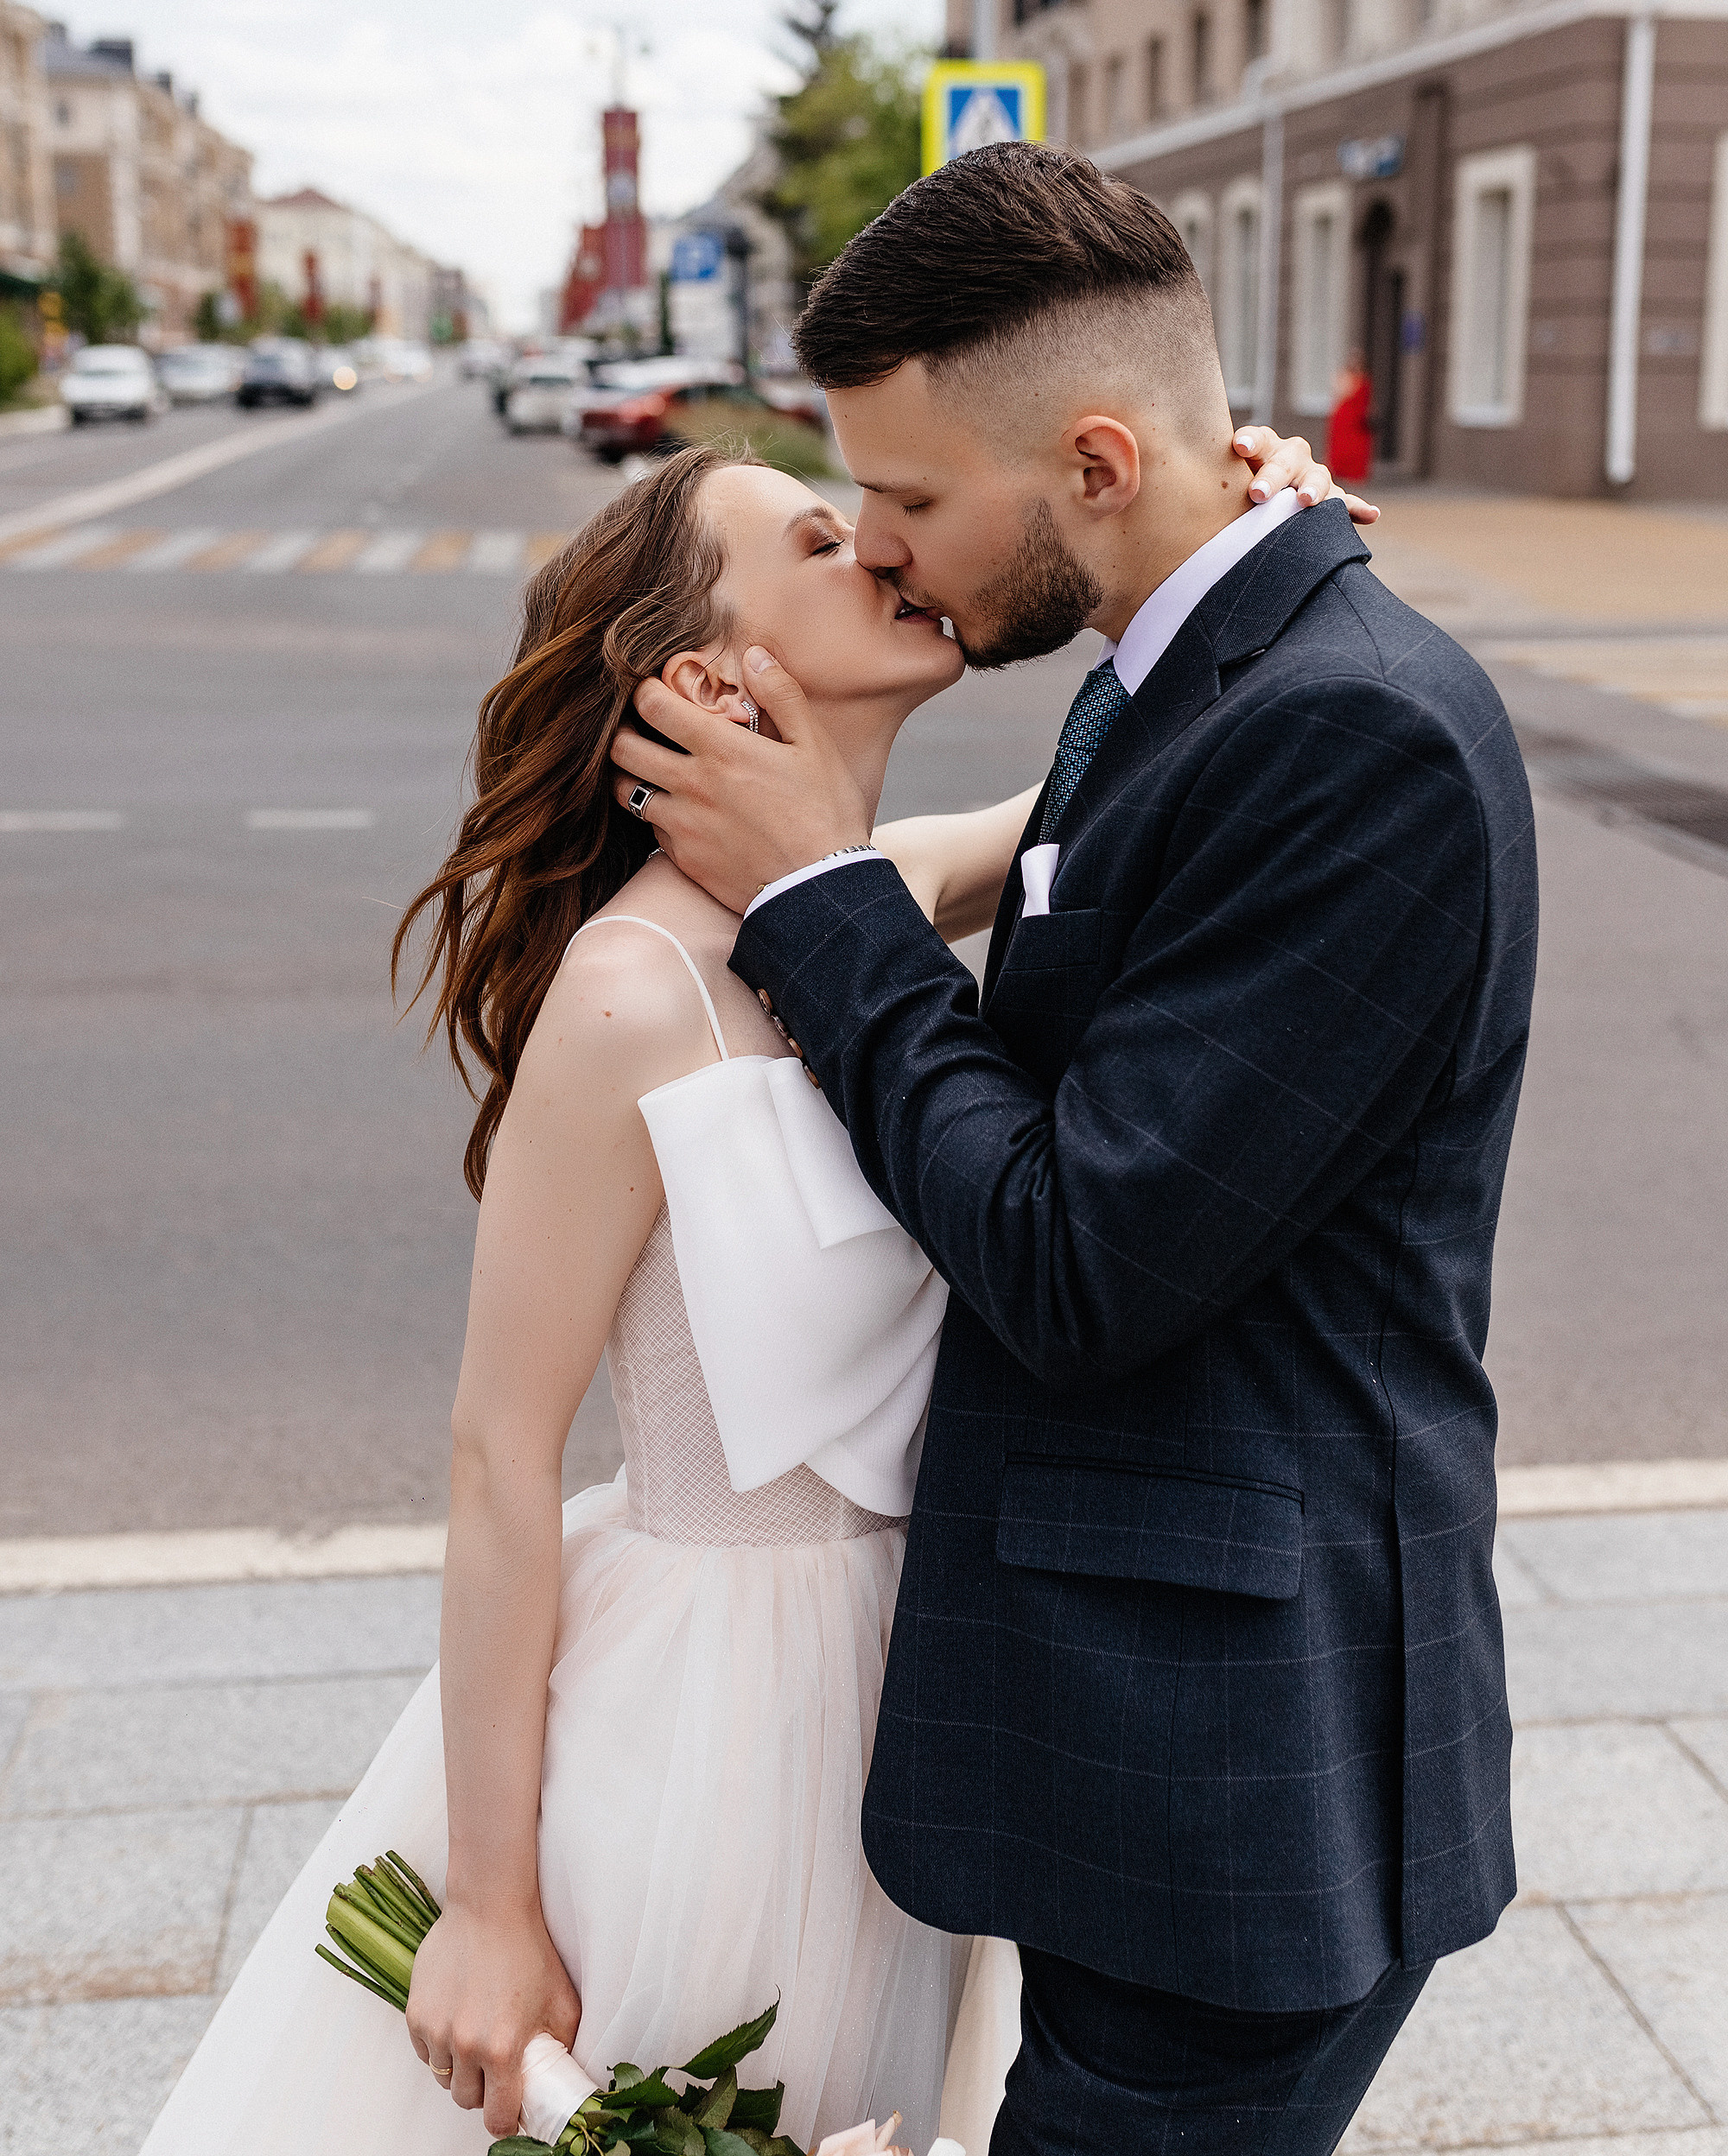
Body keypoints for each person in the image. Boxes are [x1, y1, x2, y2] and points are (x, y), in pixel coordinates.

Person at [140, 409, 1362, 2156]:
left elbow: (1161, 762)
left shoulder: (869, 900)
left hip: (907, 1693)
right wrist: (491, 1897)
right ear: (709, 679)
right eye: (809, 536)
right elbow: (499, 1453)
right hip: (707, 1716)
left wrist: (1244, 540)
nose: (871, 540)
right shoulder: (635, 991)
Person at [611, 144, 1540, 2156]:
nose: (880, 541)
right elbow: (1059, 874)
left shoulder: (1344, 728)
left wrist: (810, 908)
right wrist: (829, 868)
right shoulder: (1183, 662)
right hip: (1159, 1737)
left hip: (1241, 1784)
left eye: (919, 496)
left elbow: (1074, 1253)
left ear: (1099, 463)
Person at [1327, 346, 1374, 482]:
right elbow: (1340, 393)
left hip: (1359, 417)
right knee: (1343, 446)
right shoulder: (1345, 376)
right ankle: (1341, 471)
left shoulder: (1364, 378)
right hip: (1345, 416)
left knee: (1358, 447)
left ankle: (1355, 474)